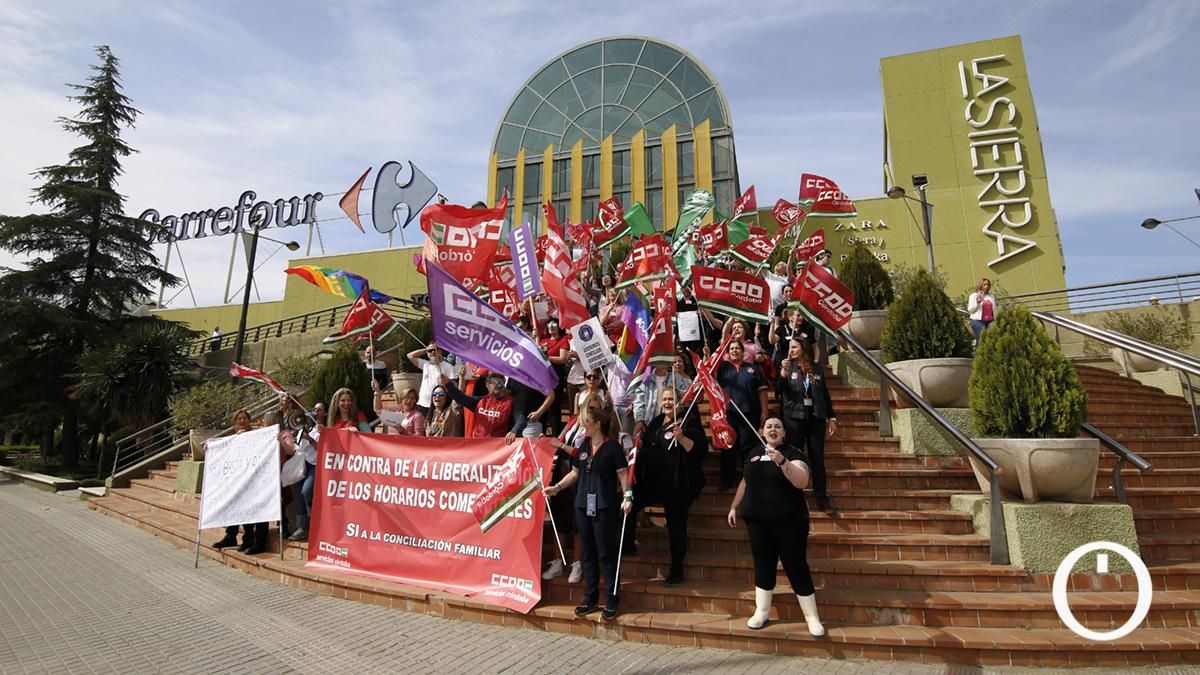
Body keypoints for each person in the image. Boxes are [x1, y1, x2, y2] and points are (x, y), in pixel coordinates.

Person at [726, 418, 825, 637]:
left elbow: (802, 481)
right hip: (757, 522)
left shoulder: (793, 453)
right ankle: (762, 611)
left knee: (796, 566)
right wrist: (734, 506)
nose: (773, 429)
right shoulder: (753, 453)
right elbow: (745, 482)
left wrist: (782, 461)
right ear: (762, 431)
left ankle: (812, 617)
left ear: (784, 433)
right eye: (769, 426)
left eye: (777, 427)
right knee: (763, 564)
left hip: (789, 522)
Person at [545, 394, 632, 621]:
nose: (583, 427)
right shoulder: (583, 446)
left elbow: (623, 474)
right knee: (589, 554)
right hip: (583, 505)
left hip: (604, 506)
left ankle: (612, 598)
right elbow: (575, 473)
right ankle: (590, 597)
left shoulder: (612, 447)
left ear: (597, 424)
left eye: (587, 423)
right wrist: (557, 487)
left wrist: (628, 496)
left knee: (606, 553)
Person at [629, 387, 708, 586]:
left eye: (671, 399)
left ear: (679, 402)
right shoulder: (657, 422)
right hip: (655, 481)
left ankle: (677, 570)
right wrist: (638, 444)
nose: (667, 403)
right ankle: (627, 545)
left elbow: (699, 451)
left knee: (676, 526)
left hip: (678, 483)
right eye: (664, 399)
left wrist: (681, 438)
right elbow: (647, 444)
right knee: (629, 503)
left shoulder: (688, 420)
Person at [776, 338, 838, 511]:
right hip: (794, 418)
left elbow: (824, 394)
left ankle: (821, 498)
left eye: (794, 347)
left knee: (817, 458)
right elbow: (778, 390)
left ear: (803, 348)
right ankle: (792, 496)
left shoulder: (816, 368)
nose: (791, 350)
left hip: (815, 418)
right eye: (790, 347)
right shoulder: (788, 367)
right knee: (794, 457)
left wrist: (831, 417)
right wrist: (783, 372)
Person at [716, 339, 768, 490]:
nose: (734, 351)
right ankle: (726, 481)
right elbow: (709, 375)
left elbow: (762, 391)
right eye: (731, 349)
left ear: (743, 352)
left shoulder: (753, 369)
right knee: (728, 447)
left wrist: (764, 411)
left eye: (737, 348)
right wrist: (707, 355)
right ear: (728, 353)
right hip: (728, 414)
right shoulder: (723, 368)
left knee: (748, 448)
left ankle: (749, 481)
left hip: (750, 413)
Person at [212, 410, 264, 552]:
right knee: (237, 506)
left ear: (249, 420)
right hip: (238, 480)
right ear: (235, 422)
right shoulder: (233, 438)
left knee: (252, 509)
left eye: (244, 418)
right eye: (239, 419)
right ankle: (234, 536)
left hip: (255, 479)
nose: (242, 421)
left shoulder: (257, 434)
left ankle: (253, 540)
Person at [444, 372, 514, 438]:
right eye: (496, 383)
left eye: (501, 383)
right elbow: (460, 397)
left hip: (497, 445)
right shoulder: (480, 401)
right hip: (477, 443)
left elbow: (518, 418)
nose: (499, 386)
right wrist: (447, 384)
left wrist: (514, 431)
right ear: (487, 385)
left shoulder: (510, 403)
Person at [631, 364, 691, 437]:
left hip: (672, 422)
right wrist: (639, 420)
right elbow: (639, 401)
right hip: (649, 423)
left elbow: (686, 398)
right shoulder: (645, 380)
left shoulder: (676, 377)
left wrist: (677, 389)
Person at [408, 343, 462, 416]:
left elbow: (453, 385)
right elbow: (410, 356)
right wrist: (426, 350)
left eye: (436, 349)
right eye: (431, 351)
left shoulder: (448, 366)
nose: (433, 352)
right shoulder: (425, 364)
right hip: (422, 404)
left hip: (438, 406)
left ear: (440, 351)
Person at [540, 319, 572, 435]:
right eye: (549, 324)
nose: (551, 327)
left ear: (559, 327)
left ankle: (555, 435)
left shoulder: (563, 341)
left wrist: (547, 358)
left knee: (554, 406)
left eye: (554, 324)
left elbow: (562, 358)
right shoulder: (543, 341)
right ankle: (541, 433)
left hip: (556, 375)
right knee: (542, 405)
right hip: (543, 376)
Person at [507, 377, 553, 443]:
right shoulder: (514, 375)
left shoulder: (539, 375)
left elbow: (551, 395)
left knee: (530, 448)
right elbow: (509, 393)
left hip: (531, 423)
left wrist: (539, 412)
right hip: (514, 423)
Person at [968, 278, 997, 350]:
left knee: (992, 338)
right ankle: (978, 354)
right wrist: (977, 303)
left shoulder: (991, 297)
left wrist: (996, 318)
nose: (986, 286)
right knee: (981, 339)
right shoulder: (974, 295)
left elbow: (994, 309)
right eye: (984, 284)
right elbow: (970, 310)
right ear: (980, 285)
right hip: (978, 321)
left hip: (990, 321)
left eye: (988, 285)